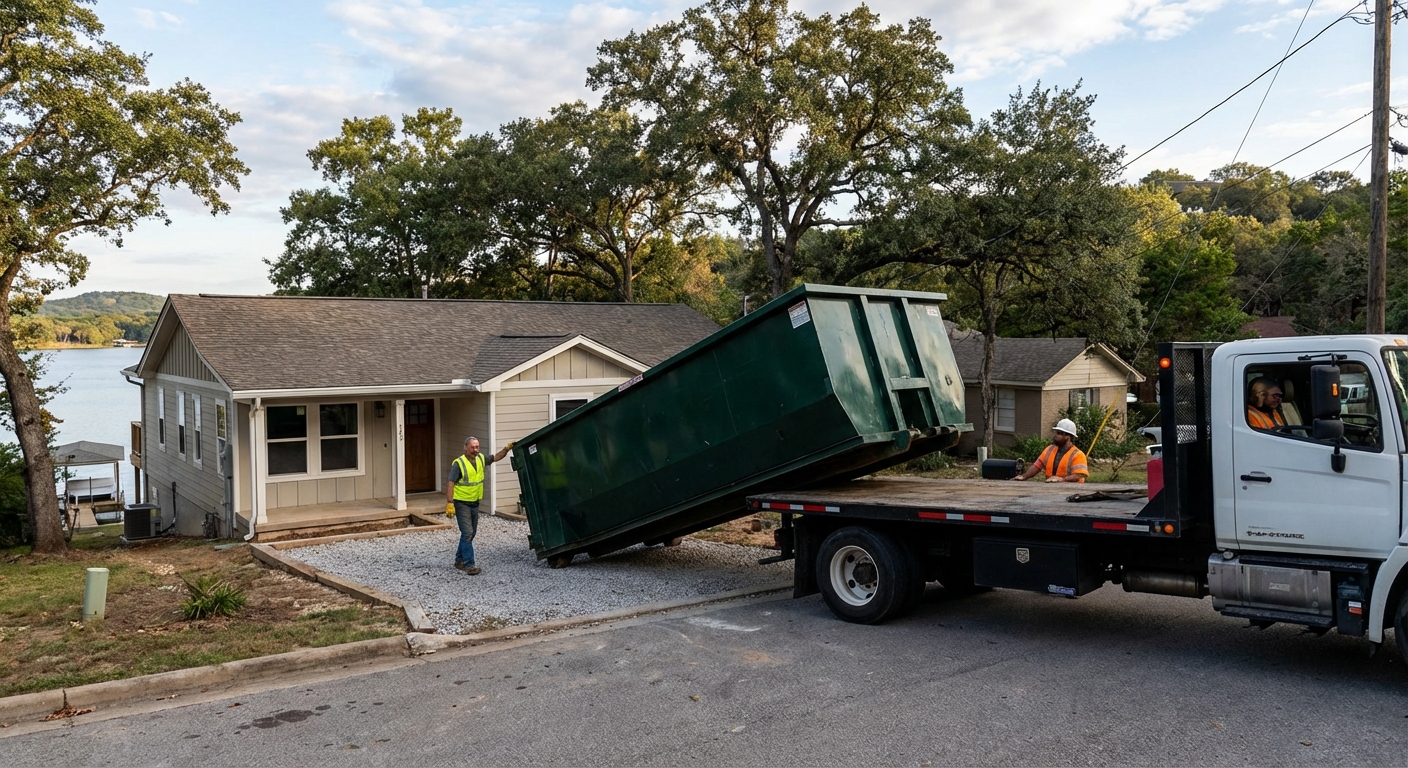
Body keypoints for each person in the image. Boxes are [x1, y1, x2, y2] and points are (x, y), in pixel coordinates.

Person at [445, 436, 513, 575]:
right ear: (465, 448)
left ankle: (459, 560)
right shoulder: (459, 464)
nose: (476, 450)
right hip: (461, 503)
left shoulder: (481, 459)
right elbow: (450, 482)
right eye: (473, 447)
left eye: (477, 447)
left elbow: (495, 457)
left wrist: (506, 449)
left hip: (475, 502)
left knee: (470, 533)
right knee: (468, 533)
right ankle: (469, 565)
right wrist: (450, 503)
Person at [1011, 419, 1089, 483]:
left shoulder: (1078, 454)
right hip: (1050, 490)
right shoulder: (1049, 449)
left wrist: (1062, 479)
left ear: (1068, 436)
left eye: (1059, 433)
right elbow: (1037, 466)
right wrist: (1024, 476)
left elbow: (1079, 475)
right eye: (1056, 432)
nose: (1056, 436)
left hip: (1071, 491)